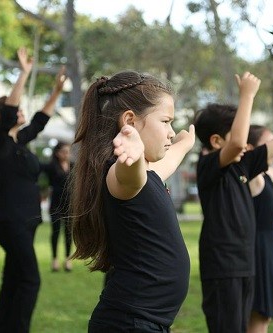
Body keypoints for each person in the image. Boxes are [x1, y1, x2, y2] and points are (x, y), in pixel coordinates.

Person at [70, 70, 195, 332]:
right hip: (130, 323)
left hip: (143, 322)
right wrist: (135, 155)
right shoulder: (120, 175)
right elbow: (131, 174)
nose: (171, 132)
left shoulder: (151, 175)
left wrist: (185, 142)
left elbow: (169, 160)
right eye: (165, 121)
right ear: (130, 120)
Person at [194, 68, 273, 333]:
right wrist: (246, 96)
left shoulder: (242, 165)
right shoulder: (209, 165)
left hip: (245, 263)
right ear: (215, 141)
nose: (246, 143)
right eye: (240, 134)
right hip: (223, 267)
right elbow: (235, 144)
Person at [0, 47, 66, 333]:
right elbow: (8, 113)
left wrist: (56, 91)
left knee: (14, 279)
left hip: (23, 223)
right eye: (13, 110)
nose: (20, 111)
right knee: (30, 280)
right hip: (11, 222)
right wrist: (24, 73)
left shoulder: (19, 142)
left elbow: (40, 120)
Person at [246, 125, 273, 333]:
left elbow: (271, 171)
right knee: (259, 315)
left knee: (264, 316)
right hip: (259, 251)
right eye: (268, 144)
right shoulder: (254, 179)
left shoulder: (264, 176)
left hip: (268, 250)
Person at [40, 141, 73, 272]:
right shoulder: (51, 166)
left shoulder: (73, 165)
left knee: (69, 233)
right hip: (56, 204)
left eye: (68, 152)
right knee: (55, 231)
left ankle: (68, 259)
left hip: (70, 203)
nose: (66, 154)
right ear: (57, 153)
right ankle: (54, 259)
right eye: (64, 152)